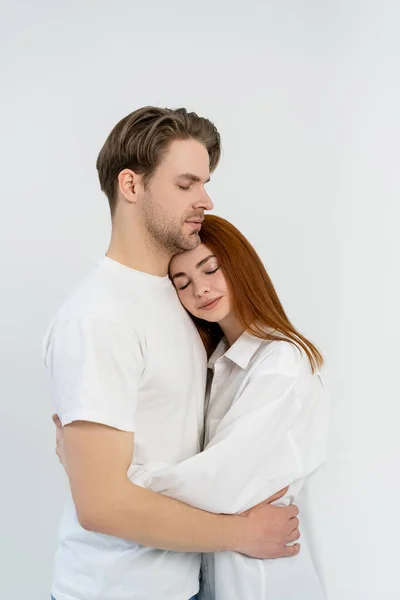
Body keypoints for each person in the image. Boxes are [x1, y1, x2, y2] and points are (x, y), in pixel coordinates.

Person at [44, 106, 300, 600]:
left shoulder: (176, 296)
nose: (205, 198)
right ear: (132, 186)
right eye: (186, 184)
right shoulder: (99, 317)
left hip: (183, 581)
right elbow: (102, 505)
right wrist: (243, 533)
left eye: (204, 182)